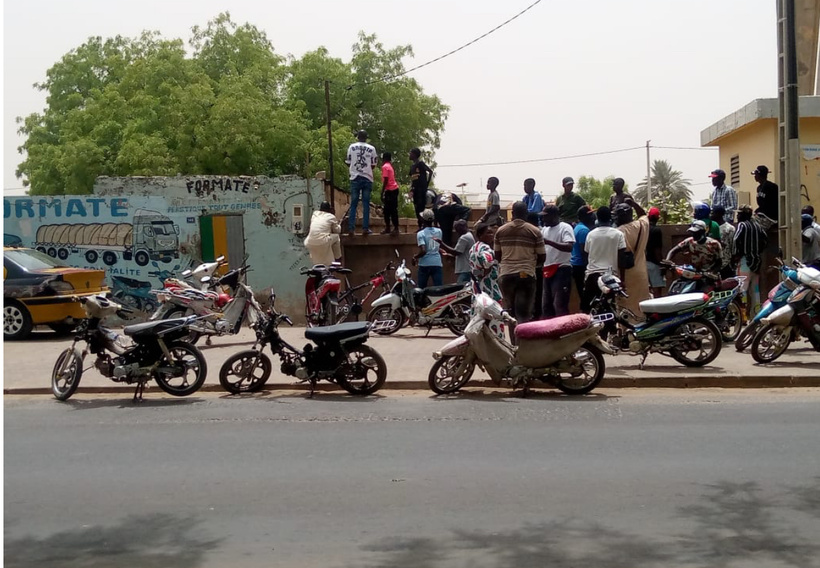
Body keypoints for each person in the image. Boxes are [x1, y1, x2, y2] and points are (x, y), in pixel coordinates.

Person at [494, 201, 546, 328]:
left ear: (512, 213)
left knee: (511, 314)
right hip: (526, 275)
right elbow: (542, 257)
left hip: (506, 275)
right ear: (526, 214)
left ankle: (513, 339)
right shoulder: (535, 231)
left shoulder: (500, 231)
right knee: (523, 314)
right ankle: (522, 339)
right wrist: (531, 265)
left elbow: (497, 256)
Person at [583, 206, 628, 312]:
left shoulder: (591, 235)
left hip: (592, 276)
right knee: (610, 309)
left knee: (590, 310)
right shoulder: (618, 234)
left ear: (597, 218)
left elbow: (586, 254)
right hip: (610, 278)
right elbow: (622, 258)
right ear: (610, 218)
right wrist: (622, 280)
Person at [613, 199, 651, 317]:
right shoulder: (642, 225)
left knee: (625, 305)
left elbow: (621, 257)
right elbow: (643, 214)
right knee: (642, 303)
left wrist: (622, 280)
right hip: (641, 273)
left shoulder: (618, 232)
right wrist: (633, 204)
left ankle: (627, 327)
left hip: (626, 274)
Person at [539, 204, 575, 318]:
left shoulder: (565, 227)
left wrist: (549, 242)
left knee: (559, 304)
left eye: (545, 216)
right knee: (546, 306)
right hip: (547, 269)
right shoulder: (544, 230)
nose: (543, 219)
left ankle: (563, 327)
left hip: (561, 269)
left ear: (554, 216)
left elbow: (569, 247)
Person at [733, 205, 767, 317]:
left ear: (744, 215)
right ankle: (756, 314)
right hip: (756, 262)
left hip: (744, 261)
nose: (737, 216)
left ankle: (743, 316)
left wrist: (735, 255)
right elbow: (765, 240)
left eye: (739, 214)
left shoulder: (742, 225)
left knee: (741, 289)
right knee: (755, 291)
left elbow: (736, 240)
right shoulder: (758, 226)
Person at [344, 130, 378, 235]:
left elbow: (348, 162)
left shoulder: (351, 147)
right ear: (366, 138)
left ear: (358, 137)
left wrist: (355, 169)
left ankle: (351, 229)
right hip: (367, 178)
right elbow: (373, 165)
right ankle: (365, 228)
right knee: (366, 204)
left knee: (353, 203)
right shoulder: (372, 148)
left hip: (355, 178)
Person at [469, 222, 502, 301]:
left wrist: (479, 273)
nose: (491, 235)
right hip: (489, 286)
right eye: (488, 233)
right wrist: (484, 273)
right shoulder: (485, 248)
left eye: (492, 233)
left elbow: (474, 270)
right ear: (480, 235)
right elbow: (488, 263)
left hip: (476, 285)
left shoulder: (474, 247)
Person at [572, 205, 596, 311]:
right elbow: (584, 252)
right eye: (590, 214)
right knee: (586, 294)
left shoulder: (578, 227)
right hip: (581, 265)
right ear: (584, 217)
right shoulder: (583, 230)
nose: (593, 216)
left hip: (577, 264)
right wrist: (588, 268)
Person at [436, 219, 475, 284]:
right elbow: (461, 253)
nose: (457, 232)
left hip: (465, 269)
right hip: (468, 268)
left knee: (460, 287)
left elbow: (456, 252)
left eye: (458, 229)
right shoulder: (469, 235)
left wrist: (442, 244)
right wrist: (448, 254)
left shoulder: (464, 238)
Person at [303, 201, 342, 266]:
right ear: (329, 209)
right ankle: (338, 258)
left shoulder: (314, 214)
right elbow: (337, 230)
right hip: (322, 241)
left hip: (309, 242)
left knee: (318, 256)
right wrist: (338, 224)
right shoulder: (331, 216)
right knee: (336, 237)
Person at [412, 209, 443, 287]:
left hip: (424, 264)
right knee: (439, 288)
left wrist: (415, 257)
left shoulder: (421, 233)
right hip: (436, 262)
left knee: (421, 288)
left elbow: (423, 251)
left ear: (423, 220)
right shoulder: (439, 231)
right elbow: (436, 246)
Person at [409, 148, 434, 229]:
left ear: (415, 154)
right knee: (416, 208)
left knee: (421, 208)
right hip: (415, 191)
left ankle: (424, 225)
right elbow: (413, 179)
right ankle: (420, 226)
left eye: (411, 153)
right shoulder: (412, 166)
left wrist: (426, 184)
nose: (409, 155)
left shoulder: (420, 164)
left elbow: (430, 171)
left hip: (421, 190)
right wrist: (411, 190)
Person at [711, 205, 736, 279]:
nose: (711, 215)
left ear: (719, 214)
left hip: (725, 263)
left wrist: (732, 262)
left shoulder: (729, 228)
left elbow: (733, 246)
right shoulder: (710, 227)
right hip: (712, 264)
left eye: (713, 213)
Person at [646, 206, 665, 298]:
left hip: (642, 262)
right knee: (657, 291)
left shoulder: (643, 229)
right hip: (654, 263)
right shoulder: (656, 230)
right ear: (658, 218)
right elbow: (657, 250)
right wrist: (662, 264)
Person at [379, 152, 400, 235]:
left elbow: (386, 180)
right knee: (392, 210)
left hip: (390, 190)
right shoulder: (390, 166)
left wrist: (382, 192)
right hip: (394, 189)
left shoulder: (385, 167)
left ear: (384, 159)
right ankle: (393, 228)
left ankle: (391, 228)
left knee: (388, 211)